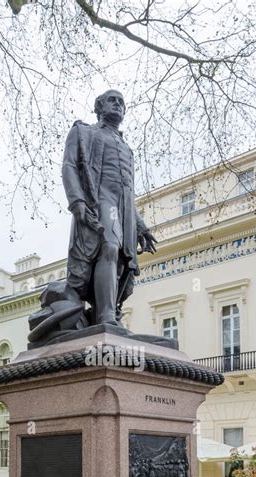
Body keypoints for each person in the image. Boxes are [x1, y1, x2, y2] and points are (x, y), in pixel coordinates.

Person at [62, 89, 157, 325]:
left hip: (122, 209)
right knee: (109, 246)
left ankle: (105, 311)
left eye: (121, 102)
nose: (117, 105)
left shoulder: (127, 149)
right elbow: (69, 166)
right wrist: (77, 201)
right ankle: (105, 317)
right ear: (99, 107)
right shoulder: (83, 132)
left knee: (123, 263)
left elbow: (128, 190)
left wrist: (140, 226)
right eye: (111, 100)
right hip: (99, 200)